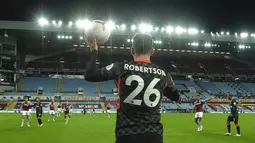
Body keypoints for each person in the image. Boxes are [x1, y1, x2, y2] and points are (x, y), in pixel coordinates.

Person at [85, 34, 180, 143]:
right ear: (152, 51)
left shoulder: (121, 67)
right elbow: (176, 97)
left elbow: (89, 75)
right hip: (153, 135)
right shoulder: (163, 74)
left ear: (132, 50)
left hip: (126, 134)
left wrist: (94, 51)